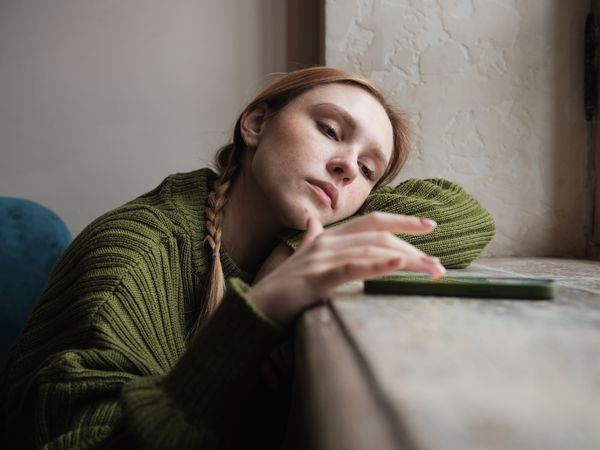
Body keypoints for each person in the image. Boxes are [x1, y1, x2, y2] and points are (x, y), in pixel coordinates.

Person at [0, 66, 495, 449]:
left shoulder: (279, 240)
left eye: (368, 169)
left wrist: (291, 254)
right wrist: (257, 316)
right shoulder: (137, 253)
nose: (347, 166)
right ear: (257, 123)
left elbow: (466, 214)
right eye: (329, 130)